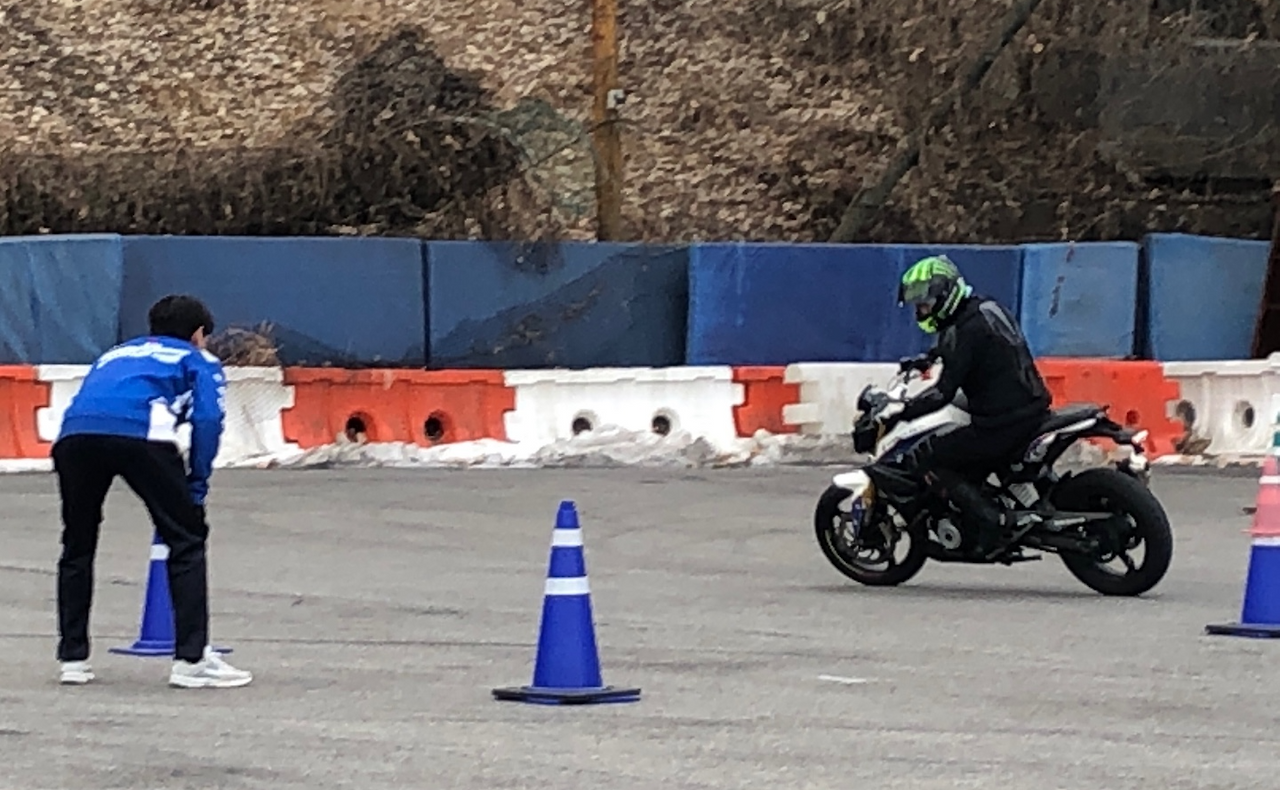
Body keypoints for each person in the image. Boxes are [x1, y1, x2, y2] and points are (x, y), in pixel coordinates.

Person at [52, 294, 253, 689]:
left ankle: (73, 659)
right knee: (186, 539)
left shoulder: (116, 354)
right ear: (198, 334)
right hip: (143, 435)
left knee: (78, 543)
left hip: (75, 436)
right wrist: (197, 482)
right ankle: (191, 661)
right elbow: (208, 419)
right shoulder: (197, 360)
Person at [879, 255, 1052, 558]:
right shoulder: (987, 308)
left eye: (925, 304)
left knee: (928, 455)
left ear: (944, 296)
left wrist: (902, 410)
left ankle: (990, 521)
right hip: (1031, 406)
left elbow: (942, 393)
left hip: (1001, 423)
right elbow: (961, 347)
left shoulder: (964, 331)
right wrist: (929, 358)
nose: (921, 311)